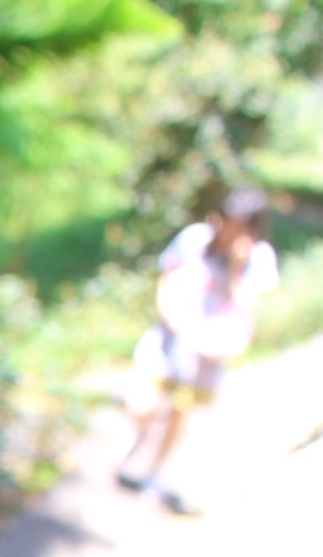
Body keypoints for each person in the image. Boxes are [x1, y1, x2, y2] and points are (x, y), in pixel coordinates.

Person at [118, 188, 279, 513]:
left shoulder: (259, 259)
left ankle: (153, 473)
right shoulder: (194, 239)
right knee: (141, 404)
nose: (228, 231)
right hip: (168, 341)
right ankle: (140, 438)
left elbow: (248, 309)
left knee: (180, 413)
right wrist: (174, 318)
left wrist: (237, 268)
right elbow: (167, 278)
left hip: (205, 356)